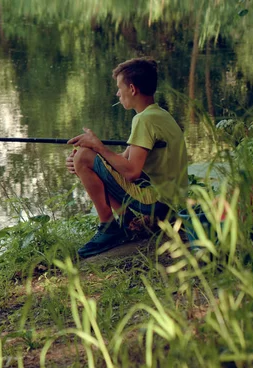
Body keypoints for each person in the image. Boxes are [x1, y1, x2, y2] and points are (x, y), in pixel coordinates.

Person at [66, 57, 188, 258]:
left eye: (119, 87)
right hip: (172, 201)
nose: (117, 93)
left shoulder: (144, 120)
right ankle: (126, 219)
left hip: (157, 201)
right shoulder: (158, 115)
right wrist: (82, 161)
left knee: (84, 156)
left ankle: (109, 228)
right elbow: (119, 162)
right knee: (84, 157)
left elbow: (131, 172)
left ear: (132, 89)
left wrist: (95, 148)